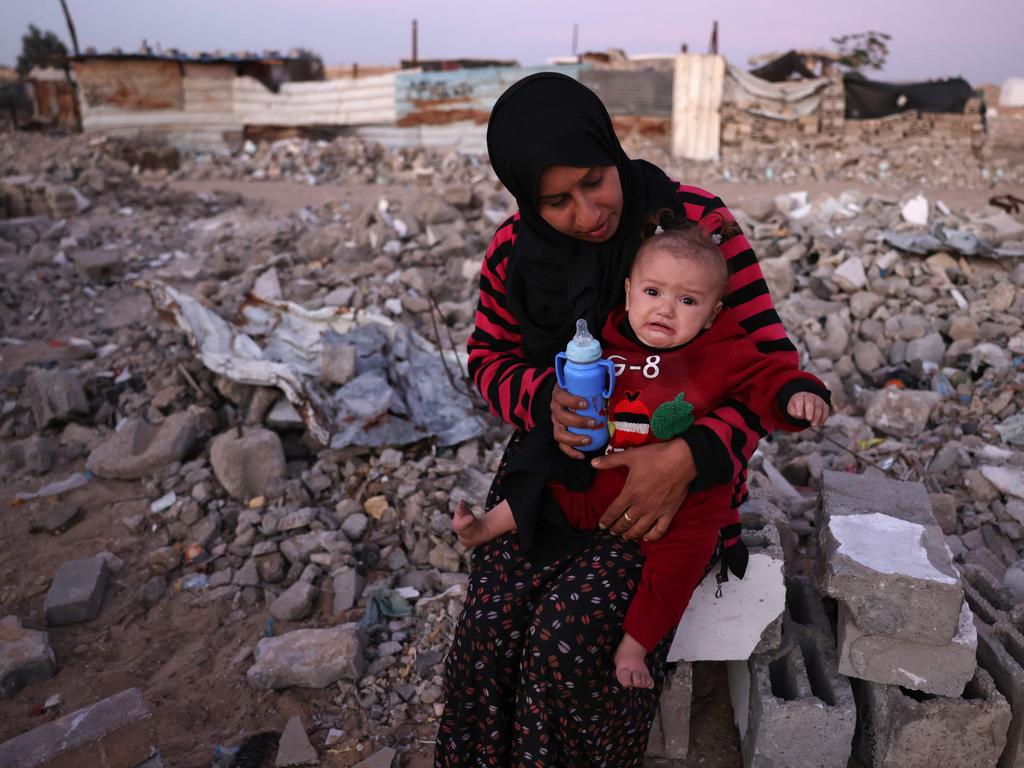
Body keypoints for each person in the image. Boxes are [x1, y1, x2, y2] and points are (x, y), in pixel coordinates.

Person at [434, 72, 805, 767]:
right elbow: (486, 358)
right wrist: (544, 398)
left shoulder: (695, 222)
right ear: (525, 197)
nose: (587, 212)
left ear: (612, 147)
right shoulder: (514, 252)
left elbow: (769, 366)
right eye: (557, 201)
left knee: (571, 638)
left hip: (678, 489)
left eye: (595, 180)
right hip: (557, 469)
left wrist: (688, 456)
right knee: (490, 630)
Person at [452, 224, 830, 690]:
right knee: (549, 483)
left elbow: (771, 377)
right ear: (629, 293)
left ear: (713, 315)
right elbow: (513, 366)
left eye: (688, 301)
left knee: (679, 562)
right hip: (604, 470)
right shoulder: (607, 340)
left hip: (685, 497)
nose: (666, 309)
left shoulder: (724, 352)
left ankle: (636, 642)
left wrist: (799, 395)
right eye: (653, 291)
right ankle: (487, 525)